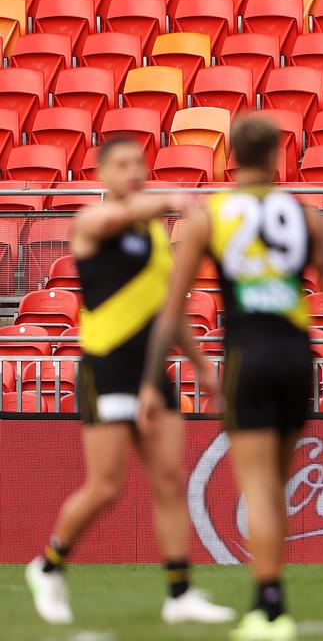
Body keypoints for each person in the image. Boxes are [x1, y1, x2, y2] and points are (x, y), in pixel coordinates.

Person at [139, 115, 323, 641]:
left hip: (248, 352)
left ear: (230, 158)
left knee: (259, 489)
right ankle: (270, 603)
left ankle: (269, 608)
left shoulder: (208, 215)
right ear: (277, 158)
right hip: (298, 354)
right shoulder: (305, 214)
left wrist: (158, 379)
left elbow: (171, 305)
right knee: (277, 485)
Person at [25, 136, 234, 626]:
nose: (133, 171)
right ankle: (48, 564)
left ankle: (179, 594)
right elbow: (112, 217)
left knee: (169, 480)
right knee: (106, 487)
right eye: (121, 164)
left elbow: (169, 307)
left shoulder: (155, 235)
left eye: (139, 162)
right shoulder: (92, 224)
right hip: (106, 367)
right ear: (103, 174)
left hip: (151, 372)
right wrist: (170, 199)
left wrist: (202, 366)